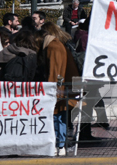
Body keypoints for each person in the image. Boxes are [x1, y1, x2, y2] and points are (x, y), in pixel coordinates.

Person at [39, 22, 82, 155]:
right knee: (61, 116)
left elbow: (54, 70)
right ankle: (61, 144)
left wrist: (52, 88)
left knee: (57, 115)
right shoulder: (60, 44)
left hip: (59, 88)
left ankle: (60, 144)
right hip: (64, 86)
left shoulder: (53, 46)